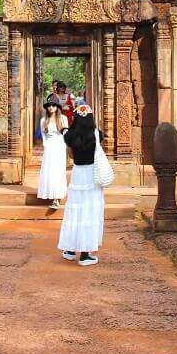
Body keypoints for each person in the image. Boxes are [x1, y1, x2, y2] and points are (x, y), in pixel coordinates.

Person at [58, 103, 105, 266]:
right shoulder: (98, 135)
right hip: (92, 175)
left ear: (75, 119)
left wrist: (67, 134)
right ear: (91, 118)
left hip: (78, 174)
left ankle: (70, 250)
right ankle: (85, 255)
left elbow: (71, 155)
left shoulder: (69, 136)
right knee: (90, 211)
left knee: (75, 210)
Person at [37, 98, 68, 209]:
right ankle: (50, 194)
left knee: (58, 171)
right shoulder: (43, 120)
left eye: (53, 105)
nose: (51, 107)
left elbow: (66, 134)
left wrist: (65, 146)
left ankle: (57, 198)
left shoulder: (63, 119)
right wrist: (46, 146)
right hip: (49, 147)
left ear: (57, 107)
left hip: (60, 146)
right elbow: (44, 136)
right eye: (49, 105)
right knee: (49, 171)